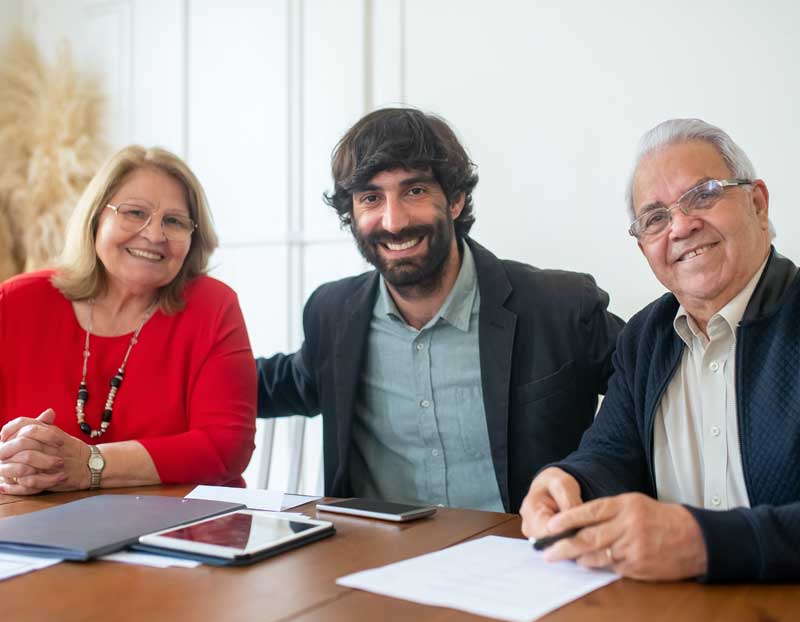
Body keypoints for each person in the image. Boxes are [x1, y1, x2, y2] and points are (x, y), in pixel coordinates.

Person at [257, 107, 623, 512]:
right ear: (353, 213)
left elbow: (650, 382)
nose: (393, 222)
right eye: (371, 198)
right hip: (373, 561)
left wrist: (592, 469)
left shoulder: (559, 306)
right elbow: (273, 384)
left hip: (528, 556)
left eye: (414, 191)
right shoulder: (332, 314)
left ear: (455, 199)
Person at [521, 118, 800, 582]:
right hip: (671, 620)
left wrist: (705, 542)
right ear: (645, 248)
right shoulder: (644, 337)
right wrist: (568, 484)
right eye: (655, 218)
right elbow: (610, 454)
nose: (681, 227)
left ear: (757, 203)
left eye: (704, 194)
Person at [0, 146, 256, 494]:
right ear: (95, 219)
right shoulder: (16, 302)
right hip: (30, 523)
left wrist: (91, 463)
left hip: (185, 529)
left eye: (174, 221)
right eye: (135, 213)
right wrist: (13, 460)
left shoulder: (213, 306)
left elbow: (226, 446)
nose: (154, 235)